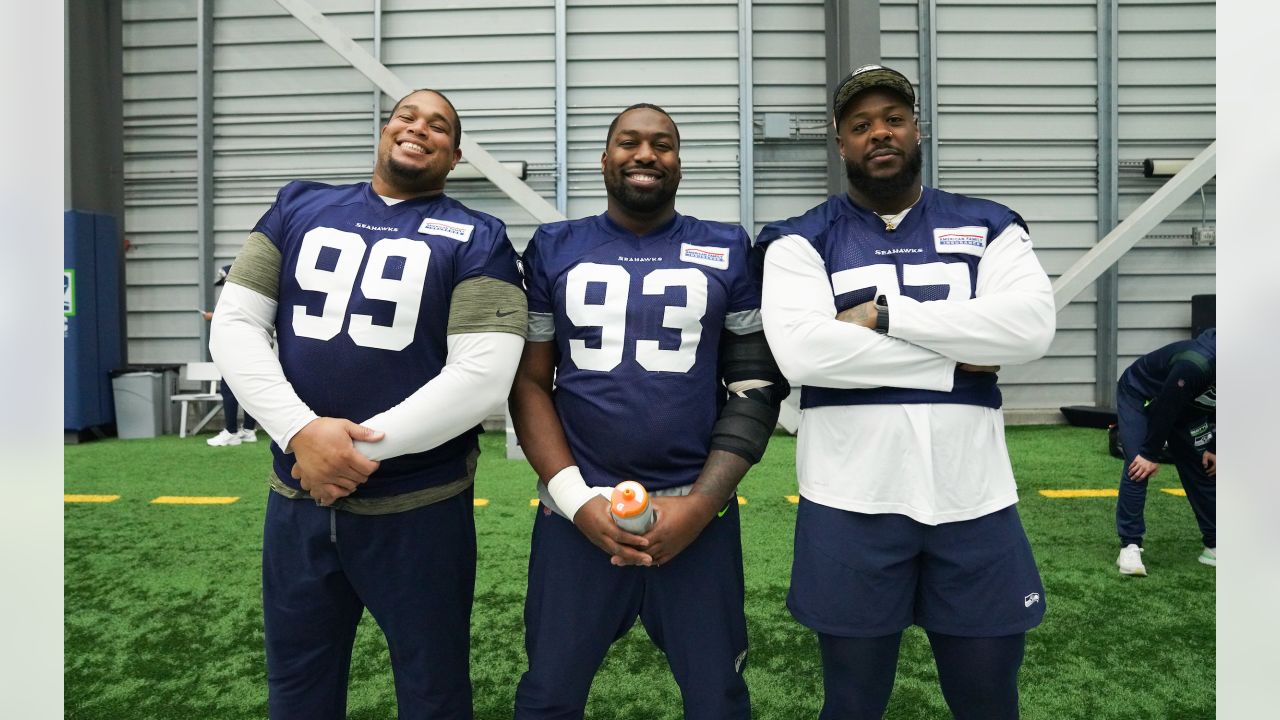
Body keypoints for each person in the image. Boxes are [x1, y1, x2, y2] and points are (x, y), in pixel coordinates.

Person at [208, 88, 527, 720]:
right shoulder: (298, 203)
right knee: (297, 688)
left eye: (439, 126)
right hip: (297, 496)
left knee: (433, 690)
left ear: (456, 155)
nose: (419, 129)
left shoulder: (478, 234)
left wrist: (344, 451)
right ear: (385, 130)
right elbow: (235, 322)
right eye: (408, 116)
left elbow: (484, 376)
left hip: (419, 507)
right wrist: (302, 432)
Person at [756, 65, 1056, 720]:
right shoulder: (799, 239)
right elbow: (803, 351)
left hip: (973, 498)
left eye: (893, 118)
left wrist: (883, 315)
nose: (879, 133)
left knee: (988, 701)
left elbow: (1030, 329)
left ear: (917, 129)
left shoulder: (989, 225)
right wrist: (956, 360)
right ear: (840, 143)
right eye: (860, 125)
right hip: (848, 500)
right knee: (854, 703)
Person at [508, 103, 787, 720]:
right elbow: (529, 383)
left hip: (695, 513)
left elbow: (754, 387)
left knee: (717, 698)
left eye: (662, 144)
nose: (645, 154)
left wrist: (702, 505)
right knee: (548, 695)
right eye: (629, 142)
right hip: (577, 511)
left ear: (678, 163)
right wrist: (578, 500)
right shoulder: (556, 245)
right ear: (605, 159)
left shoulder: (724, 247)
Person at [1114, 328, 1216, 576]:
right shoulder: (1197, 362)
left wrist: (1215, 447)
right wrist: (1149, 453)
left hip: (1189, 407)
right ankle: (1130, 544)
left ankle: (1214, 544)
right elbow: (1165, 408)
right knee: (1138, 466)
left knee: (1205, 466)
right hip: (1142, 394)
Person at [203, 265, 259, 446]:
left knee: (229, 388)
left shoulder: (236, 295)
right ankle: (248, 430)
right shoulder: (252, 292)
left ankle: (232, 431)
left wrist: (213, 316)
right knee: (248, 388)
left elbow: (233, 318)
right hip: (253, 345)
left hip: (238, 345)